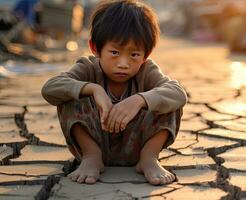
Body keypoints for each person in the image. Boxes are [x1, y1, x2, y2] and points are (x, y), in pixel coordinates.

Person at [41, 0, 187, 185]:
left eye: (134, 55)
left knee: (168, 100)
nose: (123, 63)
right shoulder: (88, 68)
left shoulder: (146, 71)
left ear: (146, 55)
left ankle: (149, 158)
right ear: (95, 48)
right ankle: (91, 157)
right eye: (115, 52)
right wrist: (94, 89)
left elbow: (178, 93)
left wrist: (139, 100)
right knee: (71, 93)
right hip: (96, 144)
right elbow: (50, 88)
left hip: (136, 148)